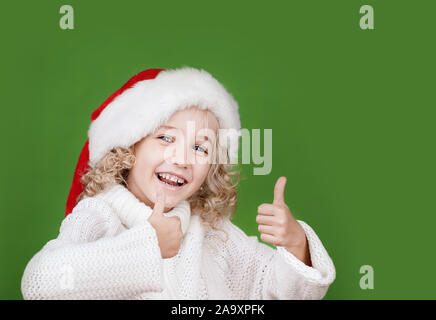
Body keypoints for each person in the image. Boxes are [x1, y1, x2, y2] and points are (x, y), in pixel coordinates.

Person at [21, 66, 335, 300]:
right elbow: (39, 283)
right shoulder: (99, 216)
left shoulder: (213, 233)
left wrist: (297, 245)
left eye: (200, 147)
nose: (183, 158)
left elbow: (272, 289)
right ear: (130, 148)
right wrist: (148, 246)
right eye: (166, 138)